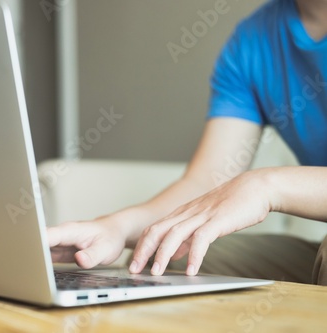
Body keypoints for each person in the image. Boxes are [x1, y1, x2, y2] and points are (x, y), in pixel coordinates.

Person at [47, 0, 327, 285]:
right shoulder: (253, 39)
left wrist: (267, 186)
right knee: (163, 256)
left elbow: (260, 187)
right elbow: (206, 182)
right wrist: (116, 227)